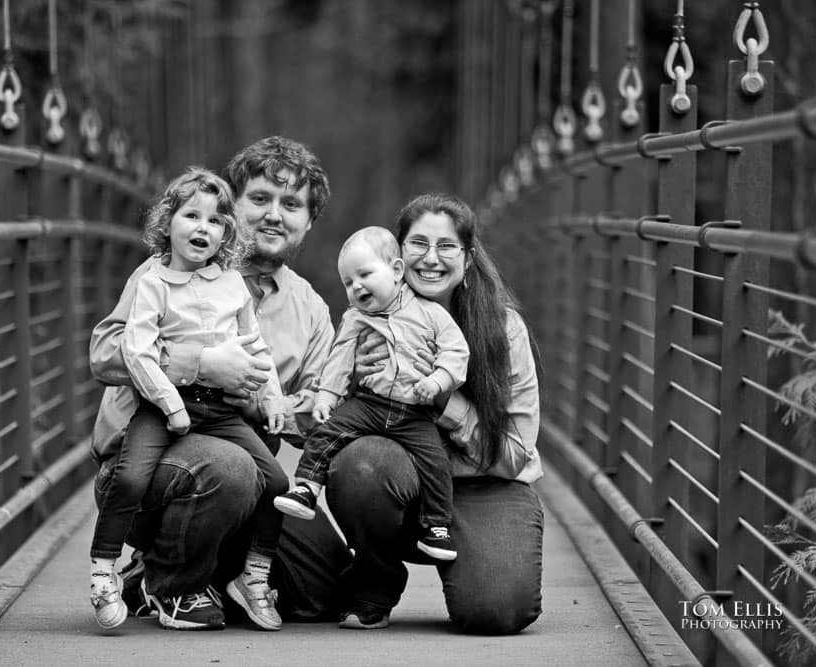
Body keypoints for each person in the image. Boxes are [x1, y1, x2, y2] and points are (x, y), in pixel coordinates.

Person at [88, 136, 341, 631]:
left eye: (291, 205)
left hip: (239, 459)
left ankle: (203, 570)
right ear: (231, 208)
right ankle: (172, 583)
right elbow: (103, 354)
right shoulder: (170, 268)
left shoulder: (311, 310)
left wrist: (282, 403)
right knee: (230, 468)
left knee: (323, 588)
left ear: (309, 222)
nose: (274, 215)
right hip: (145, 465)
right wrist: (198, 363)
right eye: (260, 199)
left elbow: (310, 420)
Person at [321, 193, 544, 631]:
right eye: (417, 244)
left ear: (468, 257)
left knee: (498, 609)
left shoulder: (503, 329)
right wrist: (352, 386)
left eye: (446, 246)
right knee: (361, 466)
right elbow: (333, 424)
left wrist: (444, 401)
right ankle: (375, 579)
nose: (431, 258)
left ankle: (473, 558)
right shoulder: (364, 321)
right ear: (397, 258)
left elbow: (515, 453)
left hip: (485, 483)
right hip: (402, 482)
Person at [274, 226, 469, 562]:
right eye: (348, 282)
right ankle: (307, 487)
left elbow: (456, 354)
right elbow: (340, 359)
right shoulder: (355, 319)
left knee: (435, 461)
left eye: (365, 274)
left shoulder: (431, 314)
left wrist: (437, 381)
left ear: (395, 271)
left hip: (414, 411)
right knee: (329, 431)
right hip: (370, 404)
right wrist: (326, 397)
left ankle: (436, 526)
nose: (357, 286)